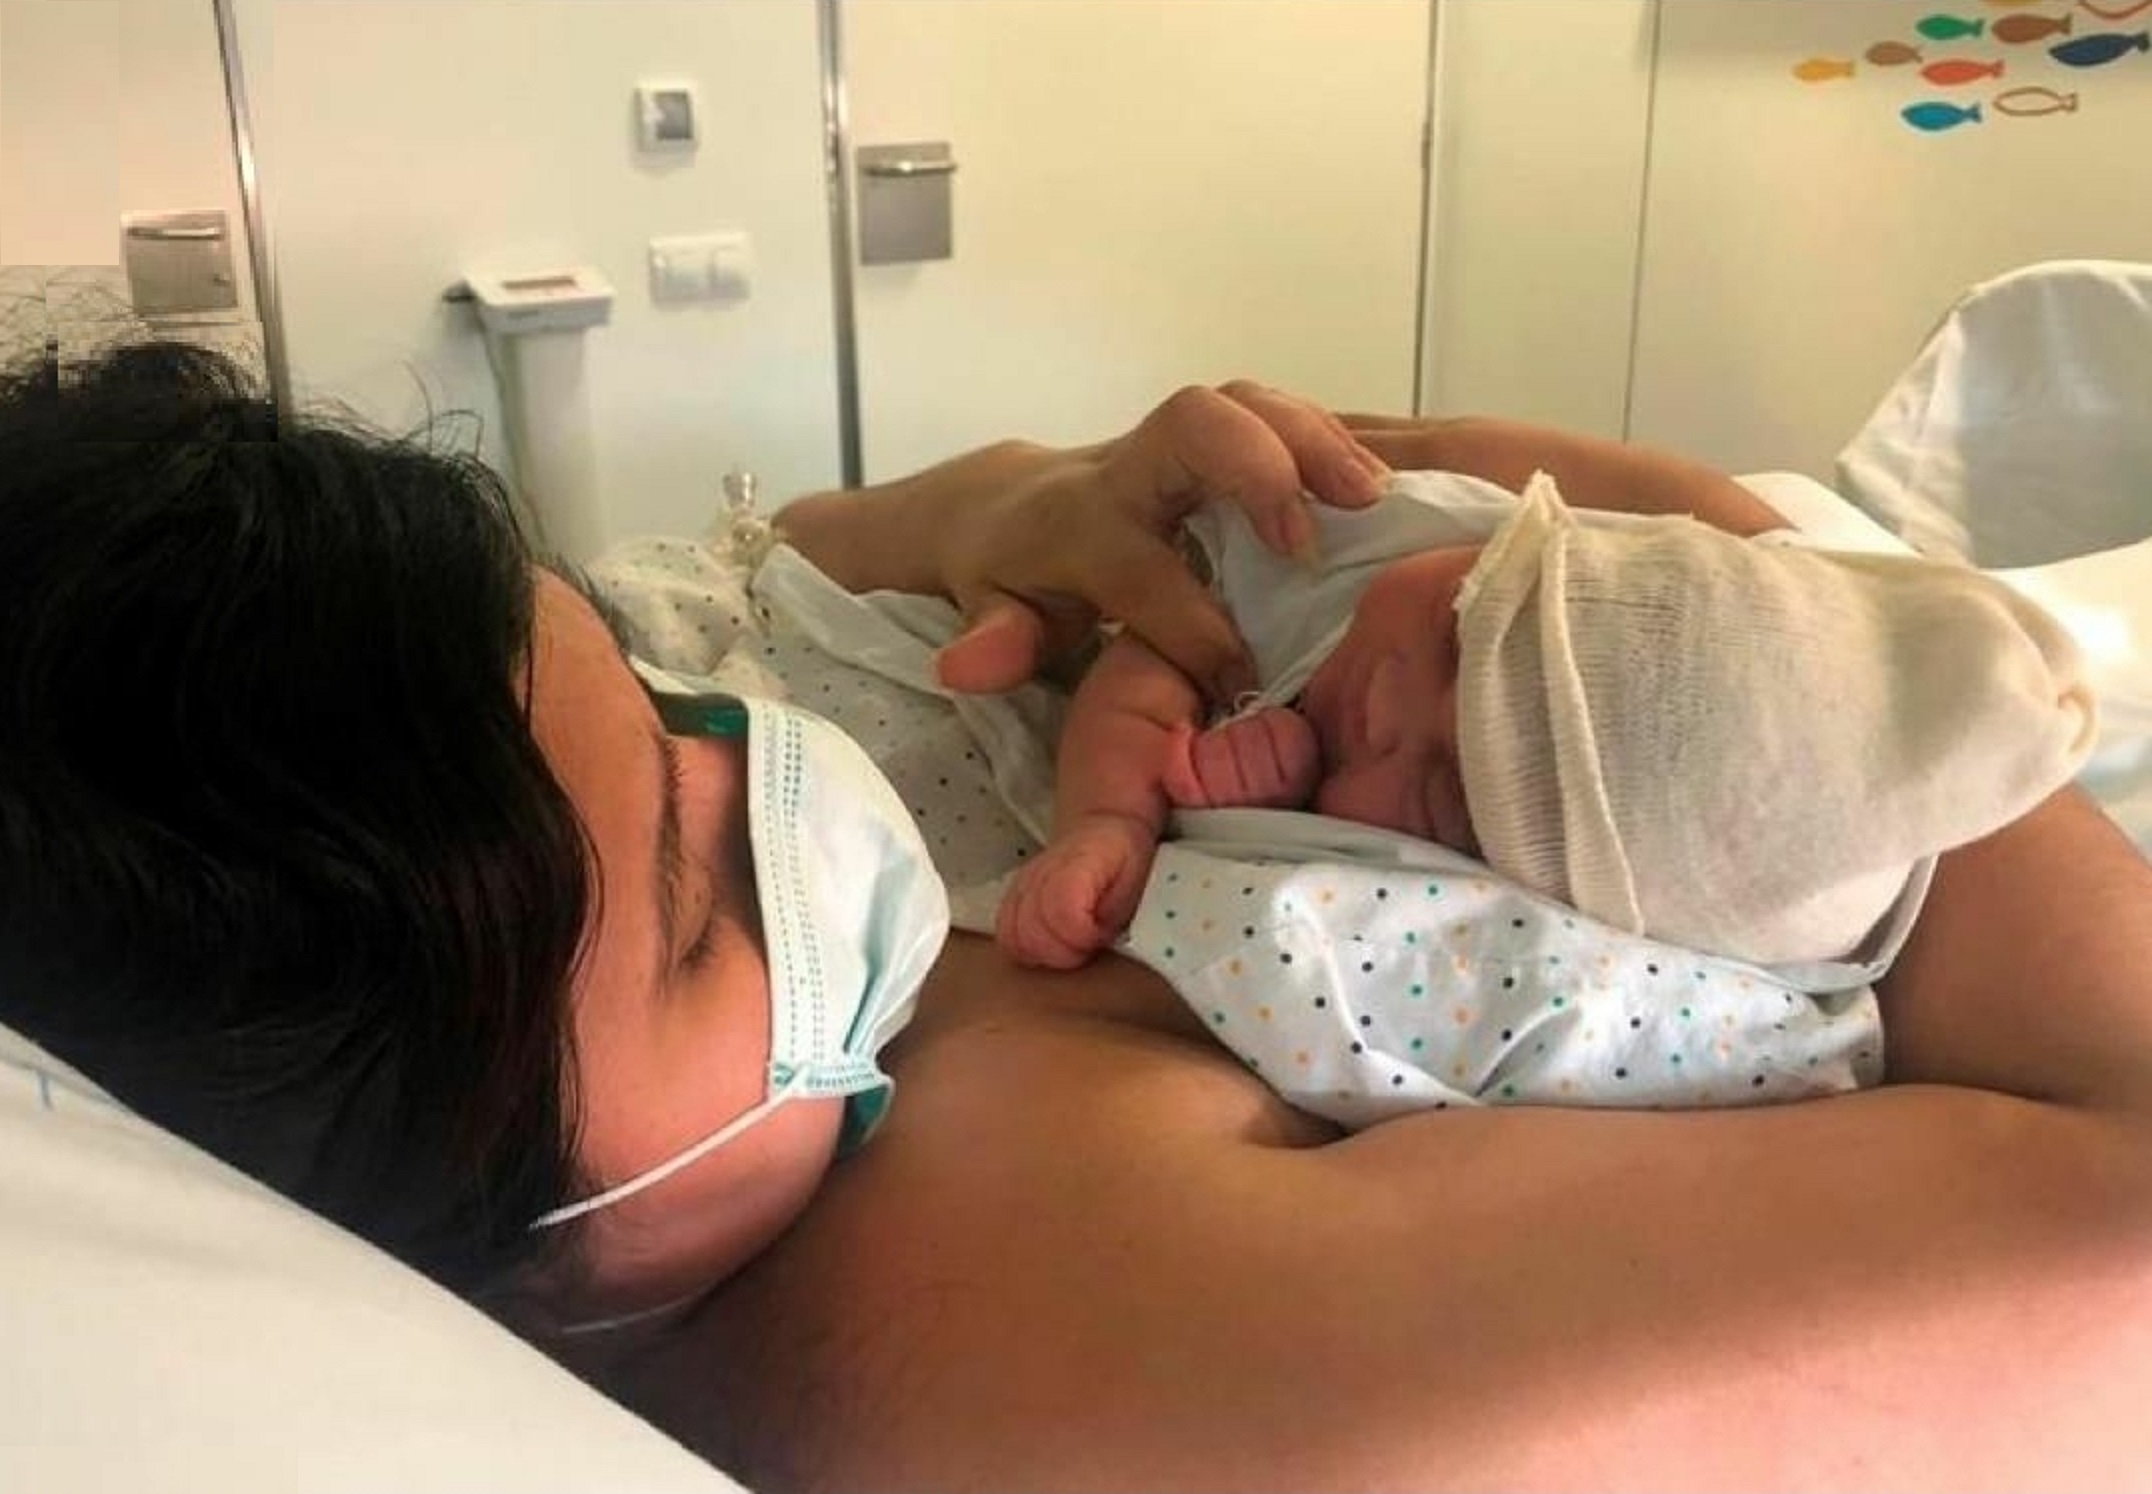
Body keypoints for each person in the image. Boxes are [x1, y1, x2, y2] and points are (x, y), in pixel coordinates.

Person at [3, 343, 2150, 1491]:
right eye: (698, 901)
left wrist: (1011, 501)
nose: (768, 763)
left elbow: (770, 555)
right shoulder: (1059, 1325)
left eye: (660, 689)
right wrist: (1734, 577)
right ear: (477, 1225)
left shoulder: (548, 919)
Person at [990, 465, 2096, 1119]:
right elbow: (1163, 639)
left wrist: (1233, 804)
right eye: (1453, 634)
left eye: (1438, 793)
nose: (1385, 706)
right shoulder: (1390, 546)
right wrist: (1110, 813)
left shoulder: (1411, 909)